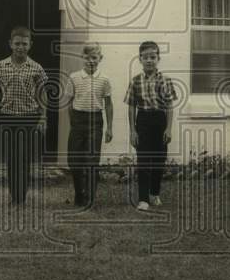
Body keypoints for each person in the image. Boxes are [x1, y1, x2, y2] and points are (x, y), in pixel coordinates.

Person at [0, 26, 47, 205]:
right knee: (11, 158)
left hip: (29, 117)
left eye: (24, 44)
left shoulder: (36, 68)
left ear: (30, 45)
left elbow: (42, 94)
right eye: (17, 44)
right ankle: (15, 197)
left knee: (24, 158)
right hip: (7, 117)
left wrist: (43, 117)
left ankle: (21, 197)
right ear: (10, 44)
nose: (20, 47)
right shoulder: (1, 65)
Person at [124, 41, 177, 211]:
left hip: (160, 120)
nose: (149, 60)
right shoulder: (135, 81)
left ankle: (154, 193)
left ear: (158, 59)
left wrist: (168, 128)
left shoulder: (165, 80)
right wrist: (133, 130)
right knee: (144, 160)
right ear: (140, 59)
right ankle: (143, 199)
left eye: (153, 57)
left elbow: (169, 106)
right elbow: (132, 106)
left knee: (159, 160)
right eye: (145, 57)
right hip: (143, 121)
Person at [65, 42, 113, 208]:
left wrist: (110, 128)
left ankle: (90, 197)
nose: (91, 61)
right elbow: (69, 103)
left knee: (92, 160)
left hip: (96, 122)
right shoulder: (74, 77)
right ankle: (80, 194)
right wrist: (74, 123)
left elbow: (108, 104)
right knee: (74, 161)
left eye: (94, 57)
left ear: (100, 58)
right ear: (82, 58)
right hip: (78, 121)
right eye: (87, 58)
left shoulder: (104, 80)